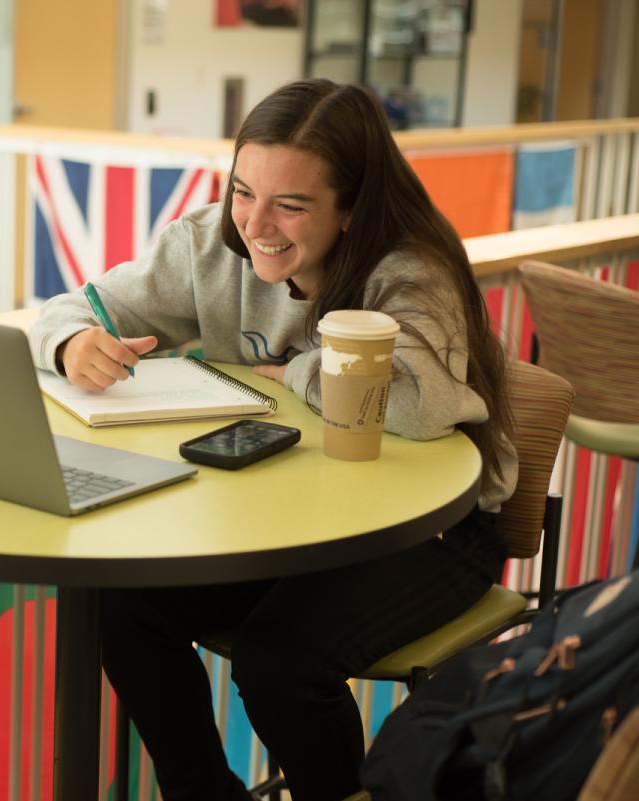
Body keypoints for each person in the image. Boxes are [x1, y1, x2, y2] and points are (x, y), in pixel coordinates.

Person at [26, 79, 518, 801]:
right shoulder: (208, 246)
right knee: (122, 605)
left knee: (279, 662)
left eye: (290, 204)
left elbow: (422, 404)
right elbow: (75, 306)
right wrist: (72, 341)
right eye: (242, 191)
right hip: (289, 520)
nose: (256, 223)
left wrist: (299, 370)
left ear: (351, 208)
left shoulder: (409, 273)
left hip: (434, 530)